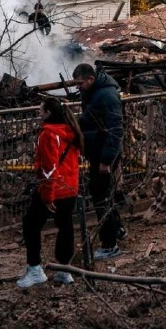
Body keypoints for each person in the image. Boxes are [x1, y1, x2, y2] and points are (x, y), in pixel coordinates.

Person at [16, 98, 84, 288]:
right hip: (70, 186)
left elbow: (49, 168)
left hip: (54, 188)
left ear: (48, 113)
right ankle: (64, 269)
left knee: (31, 223)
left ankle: (35, 268)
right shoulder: (71, 129)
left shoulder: (48, 134)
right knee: (66, 226)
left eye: (40, 110)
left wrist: (47, 197)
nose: (39, 114)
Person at [73, 63, 125, 260]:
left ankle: (109, 244)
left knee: (100, 196)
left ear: (90, 79)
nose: (78, 87)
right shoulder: (94, 93)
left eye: (80, 83)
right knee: (105, 193)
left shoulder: (107, 96)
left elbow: (116, 130)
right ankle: (118, 230)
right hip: (98, 150)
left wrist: (106, 160)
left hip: (103, 153)